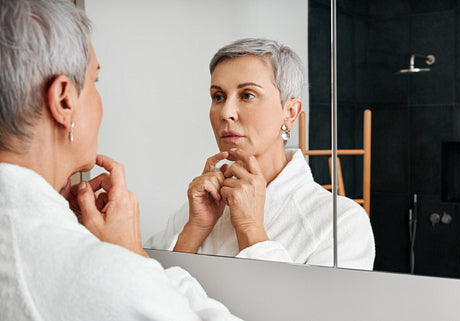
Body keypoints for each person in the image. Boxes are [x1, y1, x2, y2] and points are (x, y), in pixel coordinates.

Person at [0, 0, 241, 320]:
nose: (227, 113)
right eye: (94, 82)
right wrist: (131, 256)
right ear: (63, 100)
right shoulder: (100, 275)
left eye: (247, 94)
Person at [146, 38, 375, 269]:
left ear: (290, 112)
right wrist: (194, 231)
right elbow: (149, 300)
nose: (226, 112)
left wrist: (250, 229)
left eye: (247, 95)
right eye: (218, 96)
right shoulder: (194, 211)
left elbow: (316, 306)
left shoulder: (341, 223)